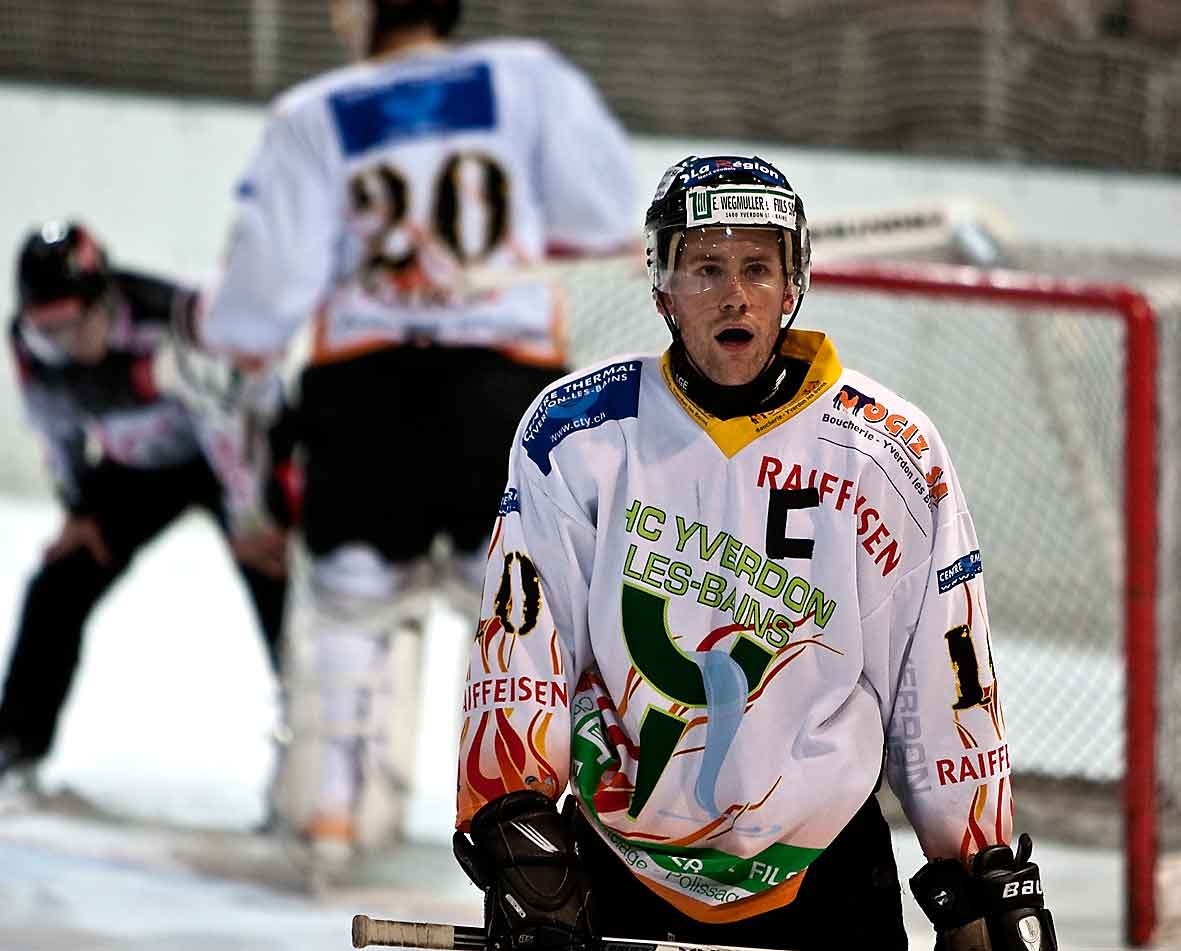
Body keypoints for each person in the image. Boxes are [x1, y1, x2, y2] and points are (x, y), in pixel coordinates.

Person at [452, 156, 1058, 951]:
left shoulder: (889, 450)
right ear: (662, 287)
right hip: (617, 861)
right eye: (706, 268)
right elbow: (523, 638)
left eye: (757, 268)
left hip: (826, 865)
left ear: (791, 284)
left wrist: (979, 870)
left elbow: (942, 672)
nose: (734, 294)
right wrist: (516, 823)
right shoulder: (577, 432)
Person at [197, 0, 635, 850]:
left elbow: (261, 299)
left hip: (365, 389)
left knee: (352, 596)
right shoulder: (528, 78)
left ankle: (332, 813)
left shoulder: (312, 112)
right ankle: (543, 819)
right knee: (518, 606)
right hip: (503, 387)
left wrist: (227, 327)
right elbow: (602, 217)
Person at [0, 220, 291, 787]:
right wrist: (78, 510)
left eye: (70, 325)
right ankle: (17, 738)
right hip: (135, 468)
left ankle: (312, 745)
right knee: (59, 581)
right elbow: (53, 430)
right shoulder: (30, 345)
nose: (62, 345)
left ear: (102, 299)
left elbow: (227, 424)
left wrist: (251, 519)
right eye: (46, 329)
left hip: (224, 458)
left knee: (275, 579)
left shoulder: (177, 320)